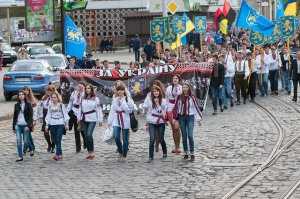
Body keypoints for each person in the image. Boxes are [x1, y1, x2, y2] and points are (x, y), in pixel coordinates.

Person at [173, 81, 202, 161]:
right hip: (182, 117)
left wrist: (198, 119)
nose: (185, 89)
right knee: (184, 136)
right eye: (183, 87)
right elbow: (176, 108)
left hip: (190, 117)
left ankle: (192, 152)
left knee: (190, 135)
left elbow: (196, 108)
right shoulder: (179, 97)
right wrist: (175, 119)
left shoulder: (192, 97)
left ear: (189, 88)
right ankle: (186, 152)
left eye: (186, 87)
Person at [108, 84, 135, 160]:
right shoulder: (115, 99)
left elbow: (130, 110)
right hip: (116, 120)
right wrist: (109, 121)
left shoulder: (127, 99)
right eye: (118, 90)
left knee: (125, 138)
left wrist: (123, 103)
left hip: (125, 119)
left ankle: (124, 154)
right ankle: (120, 150)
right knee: (116, 137)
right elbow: (112, 110)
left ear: (124, 91)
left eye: (122, 90)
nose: (120, 91)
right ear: (117, 91)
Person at [143, 85, 168, 163]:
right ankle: (150, 156)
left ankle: (165, 152)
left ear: (159, 92)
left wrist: (158, 104)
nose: (156, 93)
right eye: (154, 91)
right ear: (152, 93)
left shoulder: (163, 101)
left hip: (160, 121)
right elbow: (145, 108)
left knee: (161, 138)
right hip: (151, 122)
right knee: (152, 139)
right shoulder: (149, 100)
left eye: (157, 91)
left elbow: (163, 113)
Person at [78, 84, 103, 159]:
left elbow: (98, 109)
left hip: (92, 118)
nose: (87, 90)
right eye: (86, 88)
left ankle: (92, 151)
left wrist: (100, 119)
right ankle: (89, 152)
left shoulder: (95, 98)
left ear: (91, 89)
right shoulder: (82, 98)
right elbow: (80, 108)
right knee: (86, 136)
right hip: (84, 118)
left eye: (89, 88)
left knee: (89, 134)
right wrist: (78, 118)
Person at [45, 92, 69, 161]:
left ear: (57, 98)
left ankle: (57, 154)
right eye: (52, 97)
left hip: (60, 123)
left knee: (58, 139)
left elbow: (65, 115)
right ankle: (60, 154)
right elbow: (48, 115)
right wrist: (47, 125)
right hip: (52, 123)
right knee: (54, 139)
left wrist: (66, 124)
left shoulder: (61, 105)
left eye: (55, 97)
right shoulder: (50, 105)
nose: (53, 99)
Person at [13, 90, 34, 162]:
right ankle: (20, 156)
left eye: (22, 94)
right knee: (18, 141)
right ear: (18, 96)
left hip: (26, 126)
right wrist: (14, 126)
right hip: (18, 125)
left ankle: (31, 148)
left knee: (26, 141)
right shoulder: (16, 105)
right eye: (19, 95)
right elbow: (15, 116)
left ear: (24, 96)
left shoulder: (28, 104)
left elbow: (31, 117)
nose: (21, 96)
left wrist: (28, 126)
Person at [67, 82, 86, 153]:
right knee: (76, 130)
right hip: (74, 111)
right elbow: (70, 103)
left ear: (84, 87)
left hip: (81, 113)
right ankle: (78, 147)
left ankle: (85, 141)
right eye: (79, 87)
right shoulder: (74, 93)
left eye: (81, 87)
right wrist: (68, 111)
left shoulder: (85, 94)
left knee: (82, 130)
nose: (80, 88)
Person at [165, 75, 182, 154]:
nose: (175, 80)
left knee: (177, 128)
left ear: (179, 80)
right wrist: (166, 110)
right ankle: (176, 146)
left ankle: (178, 146)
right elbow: (167, 99)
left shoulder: (181, 88)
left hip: (177, 109)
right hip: (170, 109)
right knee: (173, 129)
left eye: (176, 78)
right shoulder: (168, 88)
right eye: (173, 78)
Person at [39, 85, 56, 153]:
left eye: (50, 91)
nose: (48, 92)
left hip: (52, 116)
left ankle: (53, 146)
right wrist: (40, 116)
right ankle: (49, 144)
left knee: (53, 132)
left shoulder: (55, 97)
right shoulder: (44, 98)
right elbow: (41, 107)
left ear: (53, 91)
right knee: (46, 132)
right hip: (45, 115)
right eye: (47, 90)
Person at [22, 87, 37, 155]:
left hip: (30, 120)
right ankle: (31, 147)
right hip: (23, 120)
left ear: (29, 91)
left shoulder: (32, 100)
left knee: (27, 134)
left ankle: (27, 148)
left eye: (27, 90)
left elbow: (35, 111)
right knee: (28, 134)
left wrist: (34, 120)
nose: (26, 91)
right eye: (24, 90)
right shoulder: (22, 99)